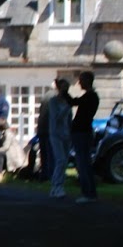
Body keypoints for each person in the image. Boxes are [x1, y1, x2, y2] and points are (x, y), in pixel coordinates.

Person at [43, 75, 74, 199]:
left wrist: (71, 132)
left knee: (65, 161)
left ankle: (59, 185)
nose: (65, 91)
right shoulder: (53, 101)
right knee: (60, 160)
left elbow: (69, 119)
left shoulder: (68, 101)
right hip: (55, 133)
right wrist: (67, 107)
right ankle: (56, 185)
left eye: (67, 88)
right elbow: (56, 118)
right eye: (64, 88)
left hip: (66, 134)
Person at [70, 70, 99, 203]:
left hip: (82, 132)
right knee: (84, 162)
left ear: (87, 81)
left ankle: (88, 193)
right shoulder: (91, 96)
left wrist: (63, 92)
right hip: (84, 131)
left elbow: (73, 102)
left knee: (83, 163)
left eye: (81, 80)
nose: (79, 83)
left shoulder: (89, 96)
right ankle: (90, 192)